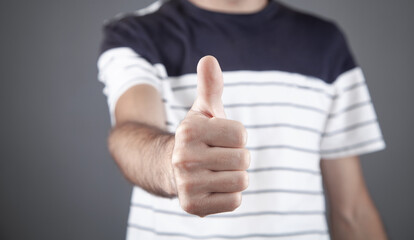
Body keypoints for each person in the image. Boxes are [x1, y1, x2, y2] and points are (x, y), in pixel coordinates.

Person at [97, 0, 388, 239]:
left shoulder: (325, 43)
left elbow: (352, 212)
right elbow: (130, 132)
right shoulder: (136, 33)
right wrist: (170, 164)